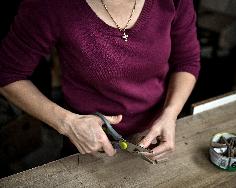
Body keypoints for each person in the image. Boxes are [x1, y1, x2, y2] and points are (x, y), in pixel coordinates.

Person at [0, 0, 200, 161]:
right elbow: (7, 74)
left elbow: (187, 61)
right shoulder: (49, 5)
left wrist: (171, 113)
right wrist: (68, 124)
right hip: (89, 144)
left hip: (159, 136)